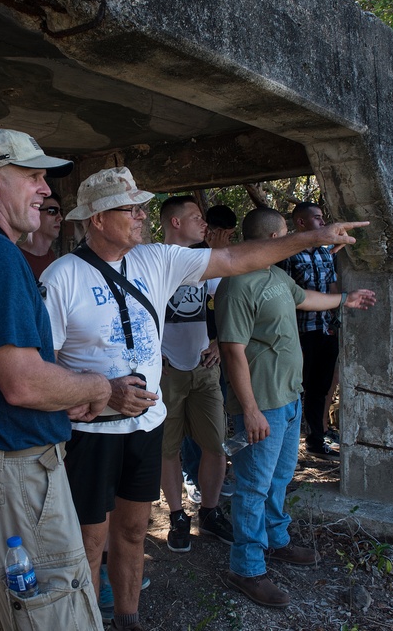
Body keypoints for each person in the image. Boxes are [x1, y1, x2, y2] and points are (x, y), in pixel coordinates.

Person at [41, 169, 368, 631]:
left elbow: (235, 257)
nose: (141, 215)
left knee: (133, 531)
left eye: (141, 206)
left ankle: (128, 620)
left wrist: (311, 237)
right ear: (96, 219)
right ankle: (88, 622)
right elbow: (44, 359)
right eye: (129, 208)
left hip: (144, 425)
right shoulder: (63, 276)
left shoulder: (156, 259)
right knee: (90, 541)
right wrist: (77, 392)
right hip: (91, 434)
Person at [0, 128, 113, 631]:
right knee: (56, 613)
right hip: (14, 475)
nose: (44, 190)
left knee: (12, 610)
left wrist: (63, 395)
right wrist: (96, 388)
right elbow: (23, 383)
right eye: (32, 177)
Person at [215, 208, 376, 608]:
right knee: (252, 487)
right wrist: (249, 410)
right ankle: (246, 568)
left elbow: (305, 300)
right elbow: (232, 352)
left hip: (288, 397)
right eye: (287, 234)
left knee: (279, 477)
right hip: (261, 405)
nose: (292, 240)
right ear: (271, 239)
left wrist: (346, 299)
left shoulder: (275, 274)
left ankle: (275, 539)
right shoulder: (236, 286)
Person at [157, 196, 233, 553]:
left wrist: (219, 342)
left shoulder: (206, 262)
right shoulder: (153, 262)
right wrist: (153, 356)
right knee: (167, 449)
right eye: (196, 217)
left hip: (205, 370)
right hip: (166, 371)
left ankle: (210, 512)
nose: (204, 224)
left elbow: (221, 305)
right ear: (175, 223)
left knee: (215, 446)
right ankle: (176, 516)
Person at [278, 202, 341, 460]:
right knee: (295, 389)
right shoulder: (288, 254)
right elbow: (284, 295)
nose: (322, 222)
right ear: (301, 223)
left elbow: (333, 285)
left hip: (326, 331)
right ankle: (286, 447)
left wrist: (338, 317)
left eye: (322, 217)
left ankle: (316, 439)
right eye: (317, 218)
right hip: (301, 334)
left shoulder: (326, 253)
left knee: (320, 388)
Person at [18, 189, 63, 279]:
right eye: (52, 211)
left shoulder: (51, 257)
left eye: (60, 212)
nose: (60, 218)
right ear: (34, 213)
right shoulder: (16, 257)